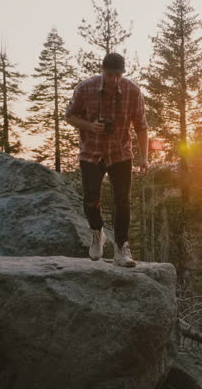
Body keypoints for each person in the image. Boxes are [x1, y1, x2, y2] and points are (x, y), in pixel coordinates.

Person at [65, 52, 149, 267]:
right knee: (91, 198)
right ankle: (97, 233)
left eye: (118, 75)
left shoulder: (132, 91)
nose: (113, 80)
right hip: (91, 152)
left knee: (123, 200)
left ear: (122, 73)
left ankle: (122, 248)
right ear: (102, 70)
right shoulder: (86, 88)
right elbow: (70, 116)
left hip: (121, 153)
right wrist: (91, 126)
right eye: (110, 75)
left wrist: (144, 158)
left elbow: (141, 126)